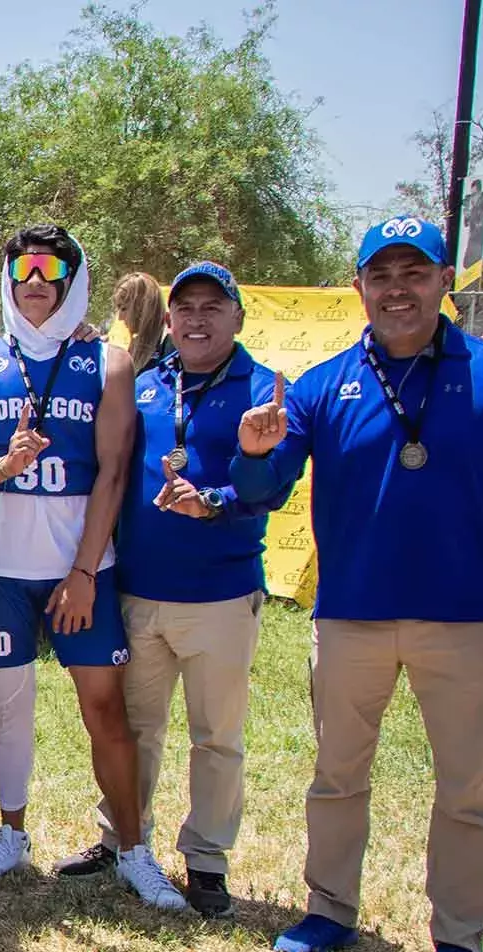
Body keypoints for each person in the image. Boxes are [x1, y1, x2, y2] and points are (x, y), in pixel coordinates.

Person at [232, 216, 483, 952]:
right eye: (382, 275)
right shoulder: (319, 385)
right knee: (337, 776)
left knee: (469, 787)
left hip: (466, 617)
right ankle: (330, 909)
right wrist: (252, 451)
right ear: (359, 288)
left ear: (446, 281)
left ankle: (460, 939)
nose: (398, 289)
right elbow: (264, 496)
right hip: (351, 616)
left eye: (415, 273)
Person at [0, 224, 186, 910]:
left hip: (85, 570)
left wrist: (83, 572)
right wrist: (6, 464)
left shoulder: (107, 363)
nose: (35, 284)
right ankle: (12, 834)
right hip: (3, 570)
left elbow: (112, 475)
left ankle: (135, 852)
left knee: (104, 709)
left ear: (74, 279)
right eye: (23, 272)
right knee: (8, 707)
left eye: (52, 272)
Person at [61, 261, 288, 917]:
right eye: (185, 307)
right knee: (135, 728)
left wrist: (218, 496)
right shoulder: (145, 382)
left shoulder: (263, 390)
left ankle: (207, 861)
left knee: (216, 736)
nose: (196, 318)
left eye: (213, 307)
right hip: (139, 590)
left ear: (238, 317)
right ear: (169, 318)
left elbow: (271, 488)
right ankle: (120, 839)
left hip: (221, 595)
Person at [112, 272, 170, 375]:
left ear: (142, 307)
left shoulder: (170, 342)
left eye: (124, 308)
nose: (120, 317)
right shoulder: (137, 345)